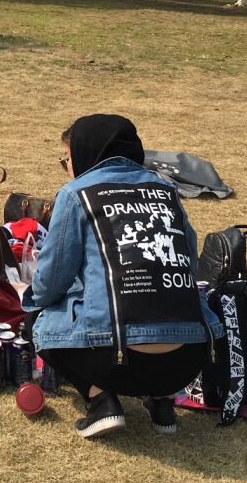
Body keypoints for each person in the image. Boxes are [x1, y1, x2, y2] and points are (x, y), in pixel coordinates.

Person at [23, 114, 223, 439]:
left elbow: (50, 282)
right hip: (187, 359)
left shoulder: (77, 194)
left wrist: (30, 301)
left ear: (86, 153)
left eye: (67, 159)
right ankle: (162, 401)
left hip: (116, 362)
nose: (67, 168)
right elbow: (188, 263)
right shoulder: (167, 189)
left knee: (38, 316)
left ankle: (100, 400)